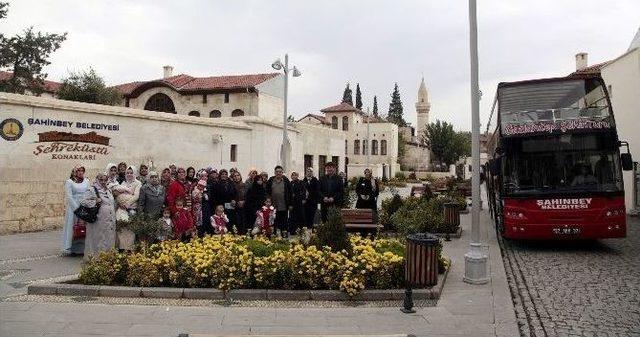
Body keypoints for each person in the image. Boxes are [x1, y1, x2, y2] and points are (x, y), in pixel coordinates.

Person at [80, 172, 116, 260]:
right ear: (97, 180)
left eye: (105, 180)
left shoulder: (108, 190)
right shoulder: (92, 189)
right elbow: (83, 201)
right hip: (98, 220)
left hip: (109, 220)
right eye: (101, 180)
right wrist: (95, 201)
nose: (103, 182)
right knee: (98, 239)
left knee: (108, 239)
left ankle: (108, 258)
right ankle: (96, 259)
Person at [62, 164, 89, 255]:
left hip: (84, 206)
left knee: (83, 227)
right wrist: (76, 209)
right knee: (73, 226)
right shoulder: (69, 182)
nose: (80, 172)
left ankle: (82, 248)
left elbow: (88, 193)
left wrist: (86, 205)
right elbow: (69, 196)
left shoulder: (86, 181)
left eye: (82, 170)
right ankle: (72, 248)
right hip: (73, 208)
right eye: (78, 171)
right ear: (74, 172)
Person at [114, 165, 142, 250]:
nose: (129, 174)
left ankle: (129, 249)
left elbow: (136, 196)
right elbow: (117, 194)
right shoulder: (123, 183)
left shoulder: (138, 183)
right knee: (121, 229)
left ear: (134, 173)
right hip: (121, 209)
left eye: (131, 173)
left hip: (131, 209)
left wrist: (127, 204)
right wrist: (120, 203)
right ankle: (121, 248)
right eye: (127, 173)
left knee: (130, 230)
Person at [266, 165, 293, 237]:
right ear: (274, 172)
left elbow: (290, 192)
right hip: (273, 206)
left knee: (284, 221)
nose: (278, 173)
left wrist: (290, 204)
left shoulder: (286, 180)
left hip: (284, 205)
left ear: (282, 173)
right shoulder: (271, 180)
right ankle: (274, 235)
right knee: (274, 221)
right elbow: (267, 191)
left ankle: (284, 236)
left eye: (280, 172)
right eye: (277, 172)